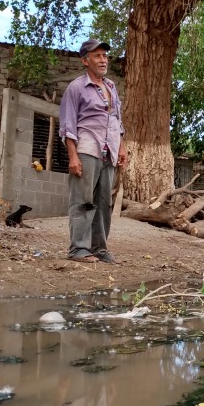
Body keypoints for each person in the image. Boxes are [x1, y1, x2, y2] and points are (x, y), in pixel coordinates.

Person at [58, 39, 127, 263]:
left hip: (110, 151)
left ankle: (99, 248)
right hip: (87, 149)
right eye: (97, 56)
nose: (103, 60)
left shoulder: (111, 87)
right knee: (83, 200)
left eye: (105, 56)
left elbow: (116, 120)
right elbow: (68, 125)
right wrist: (73, 157)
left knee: (104, 203)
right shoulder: (76, 87)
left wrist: (122, 147)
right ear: (85, 60)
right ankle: (78, 248)